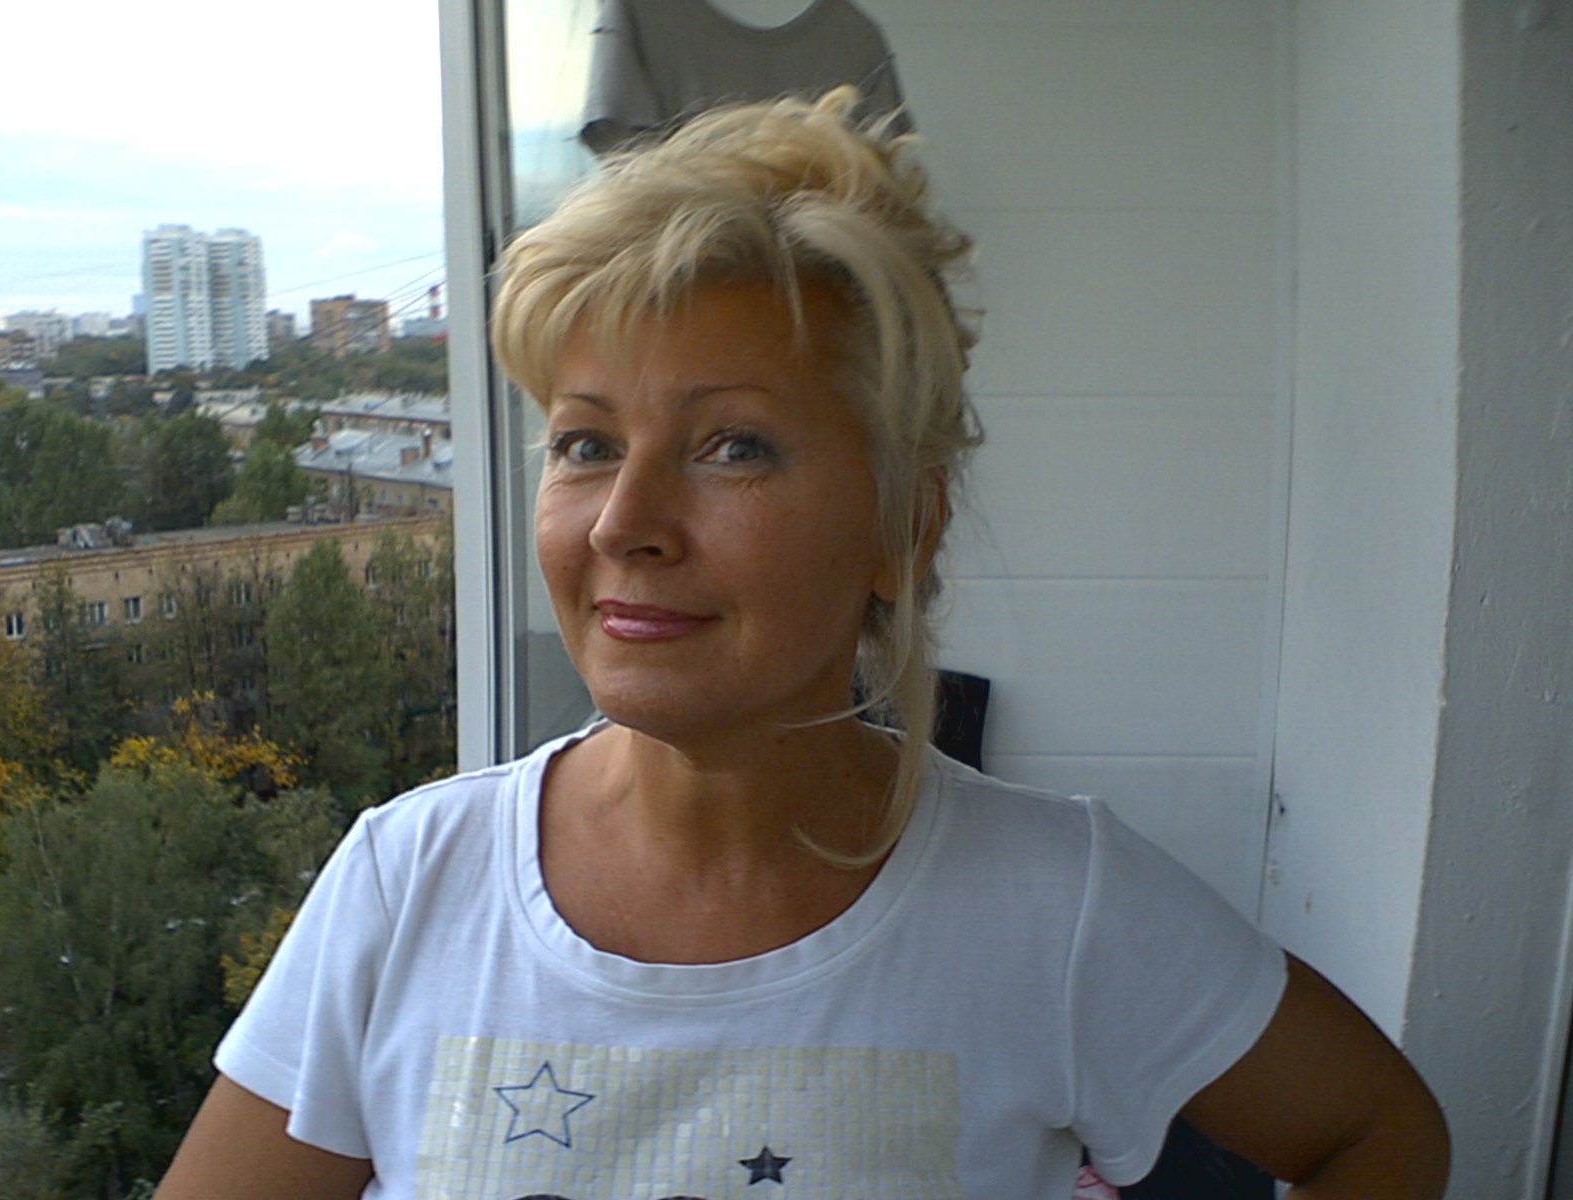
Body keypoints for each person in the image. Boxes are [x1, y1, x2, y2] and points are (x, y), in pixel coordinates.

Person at [155, 88, 1449, 1200]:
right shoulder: (407, 883)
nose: (623, 523)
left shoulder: (1062, 910)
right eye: (586, 442)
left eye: (734, 446)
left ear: (902, 525)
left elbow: (1377, 1133)